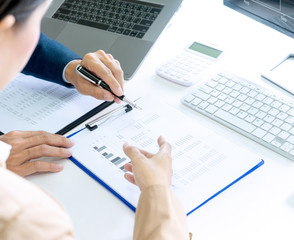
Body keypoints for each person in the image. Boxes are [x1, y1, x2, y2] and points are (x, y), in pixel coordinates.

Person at [0, 0, 189, 239]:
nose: (38, 35)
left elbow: (16, 33)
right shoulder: (25, 218)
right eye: (37, 21)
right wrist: (157, 191)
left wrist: (72, 69)